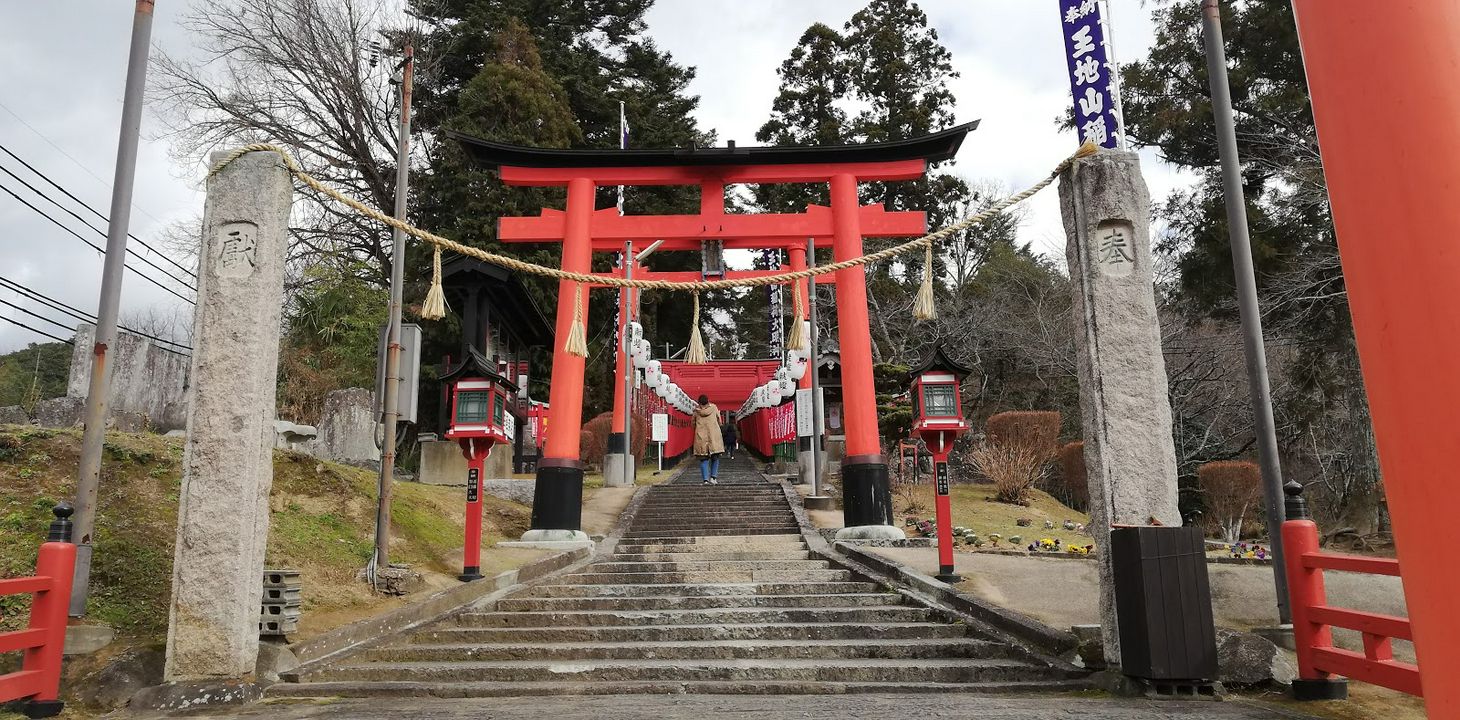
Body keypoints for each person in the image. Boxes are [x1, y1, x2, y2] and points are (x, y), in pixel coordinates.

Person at [693, 394, 724, 485]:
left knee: (704, 459)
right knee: (715, 458)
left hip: (701, 437)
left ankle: (705, 480)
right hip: (714, 436)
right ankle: (713, 477)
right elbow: (720, 421)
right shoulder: (714, 408)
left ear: (699, 403)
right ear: (708, 401)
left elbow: (693, 423)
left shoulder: (696, 411)